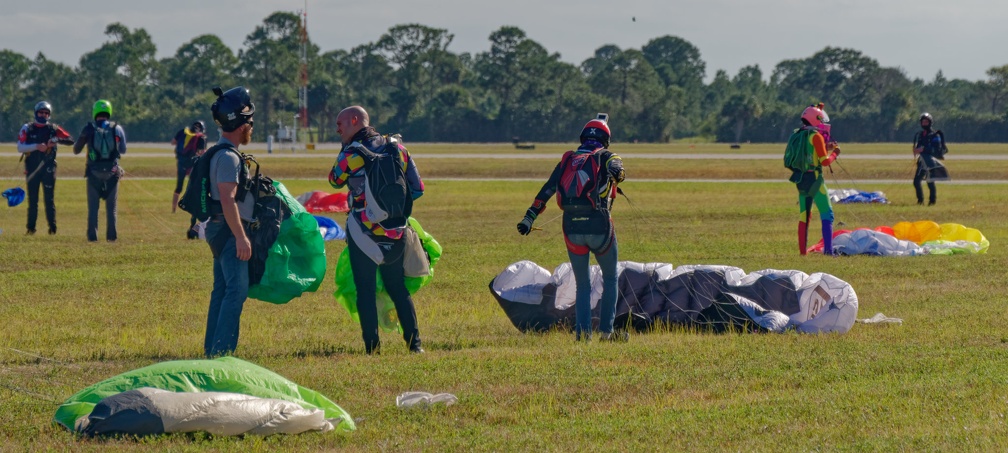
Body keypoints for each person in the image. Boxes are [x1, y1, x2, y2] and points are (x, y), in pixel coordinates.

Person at [516, 114, 626, 342]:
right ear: (606, 139)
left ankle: (582, 335)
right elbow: (619, 172)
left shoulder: (568, 159)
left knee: (583, 284)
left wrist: (529, 217)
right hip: (600, 226)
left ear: (583, 137)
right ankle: (607, 333)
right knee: (610, 279)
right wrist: (616, 174)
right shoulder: (607, 155)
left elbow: (547, 189)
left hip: (571, 227)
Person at [328, 105, 425, 355]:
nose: (337, 129)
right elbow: (418, 189)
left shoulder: (353, 153)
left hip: (364, 232)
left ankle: (373, 348)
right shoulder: (398, 149)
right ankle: (415, 345)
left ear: (354, 120)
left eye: (340, 124)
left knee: (365, 291)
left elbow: (334, 180)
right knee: (397, 288)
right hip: (396, 230)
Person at [203, 86, 255, 358]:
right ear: (238, 123)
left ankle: (212, 350)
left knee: (222, 289)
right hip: (227, 230)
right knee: (236, 291)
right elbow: (227, 199)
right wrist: (241, 237)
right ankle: (222, 353)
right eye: (248, 121)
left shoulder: (221, 152)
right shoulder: (228, 157)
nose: (251, 125)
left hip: (219, 229)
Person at [785, 103, 840, 256]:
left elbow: (809, 153)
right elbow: (824, 161)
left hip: (801, 179)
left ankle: (803, 252)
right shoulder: (816, 136)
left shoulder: (798, 134)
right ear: (815, 120)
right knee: (827, 214)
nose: (823, 123)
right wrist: (835, 153)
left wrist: (825, 147)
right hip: (815, 180)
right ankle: (829, 251)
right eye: (821, 120)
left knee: (804, 215)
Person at [16, 101, 74, 235]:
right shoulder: (27, 128)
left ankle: (52, 229)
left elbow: (70, 139)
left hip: (48, 168)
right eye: (41, 112)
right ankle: (31, 229)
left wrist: (55, 141)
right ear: (36, 113)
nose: (43, 115)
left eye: (46, 113)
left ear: (49, 115)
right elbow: (20, 147)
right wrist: (37, 146)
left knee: (49, 199)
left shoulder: (53, 129)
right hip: (31, 168)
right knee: (33, 200)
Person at [73, 100, 127, 242]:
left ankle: (92, 237)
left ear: (95, 112)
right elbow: (123, 150)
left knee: (93, 209)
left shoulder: (88, 128)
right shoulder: (117, 128)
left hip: (93, 173)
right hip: (113, 173)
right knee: (112, 209)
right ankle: (112, 237)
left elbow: (76, 150)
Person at [171, 120, 208, 238]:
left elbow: (173, 142)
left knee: (178, 187)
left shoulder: (183, 132)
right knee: (194, 189)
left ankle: (173, 209)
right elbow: (201, 152)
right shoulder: (201, 138)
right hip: (193, 165)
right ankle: (193, 218)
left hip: (181, 163)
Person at [912, 112, 947, 205]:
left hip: (930, 162)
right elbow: (918, 146)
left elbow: (937, 149)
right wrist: (916, 150)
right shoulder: (920, 135)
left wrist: (924, 149)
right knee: (916, 181)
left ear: (930, 123)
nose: (924, 124)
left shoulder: (935, 135)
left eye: (926, 122)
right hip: (921, 161)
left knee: (930, 181)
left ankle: (932, 201)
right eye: (923, 122)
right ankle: (920, 201)